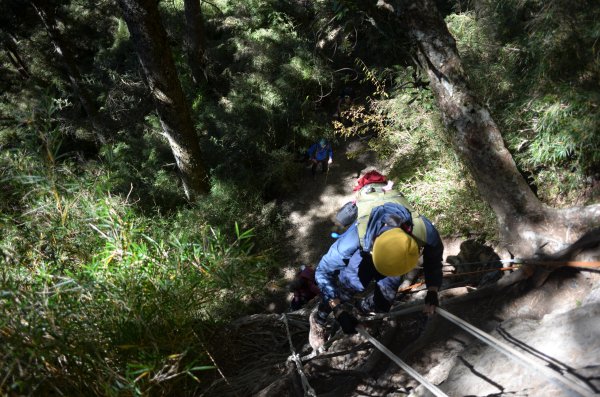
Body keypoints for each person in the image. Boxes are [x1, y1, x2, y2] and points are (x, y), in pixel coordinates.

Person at [309, 175, 443, 349]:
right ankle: (318, 319)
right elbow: (322, 271)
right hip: (364, 255)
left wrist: (432, 290)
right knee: (348, 287)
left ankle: (361, 311)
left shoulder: (423, 230)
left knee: (385, 299)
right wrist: (338, 309)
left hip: (397, 257)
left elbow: (434, 260)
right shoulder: (355, 238)